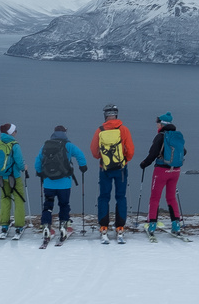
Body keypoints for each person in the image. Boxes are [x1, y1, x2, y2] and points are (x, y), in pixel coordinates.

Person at [90, 103, 136, 243]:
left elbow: (94, 151)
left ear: (105, 115)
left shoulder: (99, 130)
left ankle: (104, 226)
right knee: (120, 197)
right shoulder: (124, 130)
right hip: (121, 168)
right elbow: (131, 150)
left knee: (104, 197)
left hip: (105, 168)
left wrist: (102, 159)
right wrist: (124, 161)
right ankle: (120, 227)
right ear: (116, 114)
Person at [34, 126, 88, 242]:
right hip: (64, 183)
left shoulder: (46, 145)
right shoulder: (68, 145)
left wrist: (39, 172)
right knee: (64, 204)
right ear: (65, 133)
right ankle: (64, 226)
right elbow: (80, 155)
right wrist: (83, 166)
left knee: (48, 206)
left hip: (48, 182)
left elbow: (38, 160)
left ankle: (46, 226)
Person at [137, 111, 187, 236]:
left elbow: (152, 154)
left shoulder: (161, 136)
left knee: (155, 198)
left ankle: (152, 224)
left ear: (162, 124)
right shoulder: (176, 136)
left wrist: (144, 164)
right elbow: (184, 151)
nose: (157, 126)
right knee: (171, 197)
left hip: (161, 171)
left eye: (158, 123)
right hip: (175, 171)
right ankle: (176, 225)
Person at [0, 123, 32, 239]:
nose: (16, 132)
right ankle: (19, 226)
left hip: (1, 176)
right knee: (19, 200)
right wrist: (24, 167)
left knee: (5, 199)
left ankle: (4, 225)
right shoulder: (15, 145)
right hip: (14, 177)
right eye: (15, 130)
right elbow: (19, 162)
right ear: (11, 132)